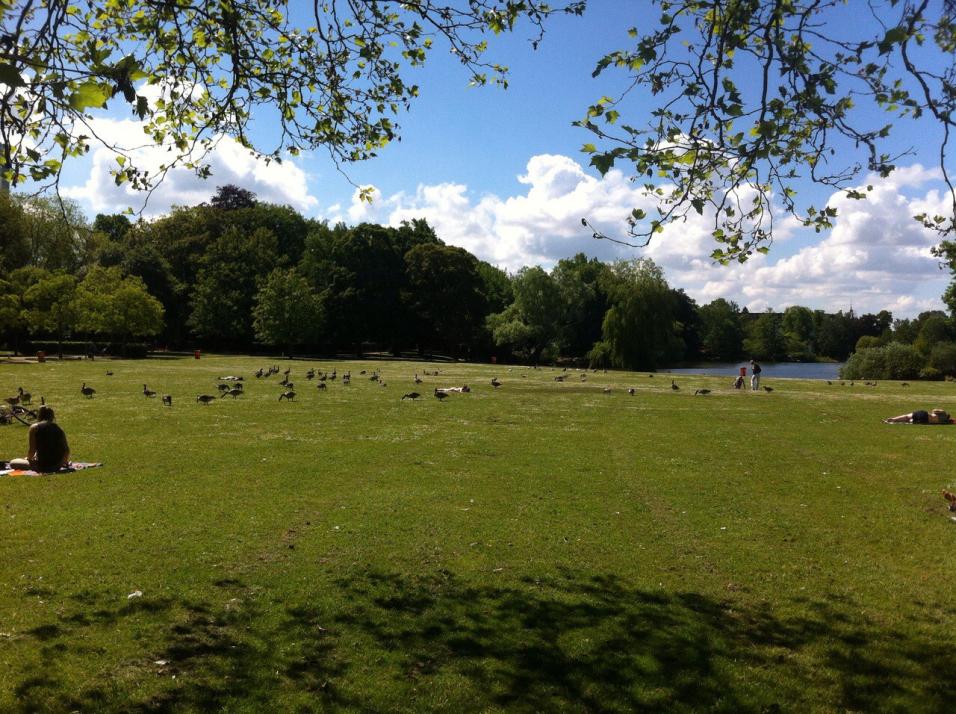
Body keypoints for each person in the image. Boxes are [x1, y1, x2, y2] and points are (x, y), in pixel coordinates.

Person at [9, 406, 71, 472]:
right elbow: (66, 450)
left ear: (39, 415)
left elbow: (32, 451)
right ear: (52, 416)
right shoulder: (58, 428)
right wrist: (63, 462)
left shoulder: (34, 428)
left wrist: (28, 459)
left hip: (42, 466)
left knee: (13, 462)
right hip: (57, 465)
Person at [883, 408, 953, 424]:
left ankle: (893, 419)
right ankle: (893, 422)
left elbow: (934, 410)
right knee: (909, 420)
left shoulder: (943, 413)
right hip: (925, 421)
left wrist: (940, 410)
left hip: (925, 414)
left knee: (907, 416)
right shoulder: (943, 422)